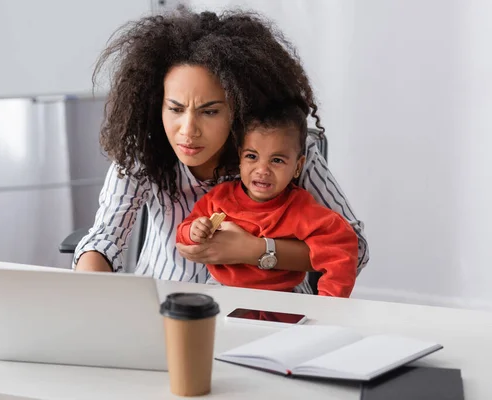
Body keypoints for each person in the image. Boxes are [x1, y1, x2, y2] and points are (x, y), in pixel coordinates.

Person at [74, 7, 369, 294]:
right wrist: (91, 298)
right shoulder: (144, 153)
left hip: (272, 314)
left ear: (241, 108)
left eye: (210, 112)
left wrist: (256, 250)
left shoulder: (282, 152)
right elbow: (104, 239)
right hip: (167, 307)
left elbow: (355, 248)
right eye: (175, 109)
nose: (188, 130)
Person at [176, 103, 357, 297]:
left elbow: (341, 249)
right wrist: (194, 231)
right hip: (222, 289)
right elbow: (184, 232)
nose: (262, 170)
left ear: (298, 166)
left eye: (277, 160)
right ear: (240, 158)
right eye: (252, 156)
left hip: (285, 293)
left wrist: (328, 304)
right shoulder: (219, 198)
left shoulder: (302, 208)